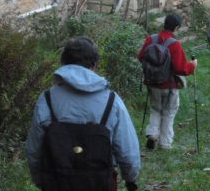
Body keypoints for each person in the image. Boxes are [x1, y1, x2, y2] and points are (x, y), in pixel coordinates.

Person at [26, 37, 140, 191]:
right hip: (100, 181)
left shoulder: (47, 99)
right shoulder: (112, 101)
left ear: (63, 62)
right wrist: (130, 179)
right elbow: (128, 150)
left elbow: (34, 148)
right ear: (94, 65)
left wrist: (39, 179)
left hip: (56, 181)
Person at [138, 14, 197, 149]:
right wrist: (193, 65)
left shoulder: (150, 39)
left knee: (155, 109)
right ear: (176, 28)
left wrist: (151, 70)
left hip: (152, 84)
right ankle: (165, 143)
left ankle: (152, 134)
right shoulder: (174, 44)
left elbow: (141, 56)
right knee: (169, 112)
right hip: (169, 85)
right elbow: (181, 69)